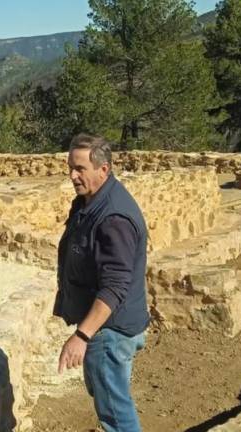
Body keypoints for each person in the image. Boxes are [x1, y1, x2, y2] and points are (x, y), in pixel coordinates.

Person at [54, 134, 150, 432]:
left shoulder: (113, 217)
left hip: (110, 331)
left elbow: (115, 286)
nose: (72, 175)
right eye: (70, 167)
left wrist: (81, 337)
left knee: (116, 414)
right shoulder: (92, 201)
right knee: (108, 396)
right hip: (109, 328)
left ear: (103, 170)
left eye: (80, 168)